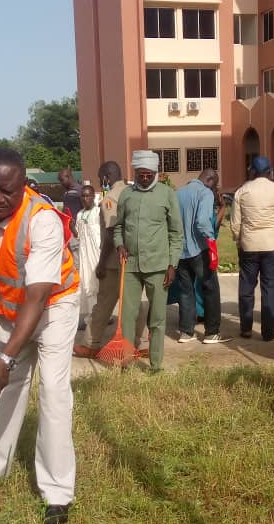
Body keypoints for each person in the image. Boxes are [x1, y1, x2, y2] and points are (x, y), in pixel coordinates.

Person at [0, 148, 79, 524]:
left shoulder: (43, 221)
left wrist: (5, 357)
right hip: (8, 308)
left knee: (53, 392)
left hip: (54, 306)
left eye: (6, 191)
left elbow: (38, 296)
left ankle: (57, 492)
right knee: (5, 389)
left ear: (24, 187)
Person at [114, 150, 184, 371]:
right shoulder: (126, 195)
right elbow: (118, 227)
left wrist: (172, 264)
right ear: (135, 172)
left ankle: (155, 364)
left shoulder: (167, 195)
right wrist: (119, 244)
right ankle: (126, 361)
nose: (144, 178)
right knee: (127, 316)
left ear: (156, 173)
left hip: (158, 267)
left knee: (157, 317)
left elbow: (176, 233)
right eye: (141, 174)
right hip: (131, 266)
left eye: (148, 175)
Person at [72, 161, 146, 358]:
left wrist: (102, 262)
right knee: (134, 303)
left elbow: (113, 233)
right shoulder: (134, 193)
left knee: (103, 303)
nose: (99, 182)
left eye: (99, 178)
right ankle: (137, 342)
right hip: (136, 259)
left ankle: (91, 343)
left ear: (105, 177)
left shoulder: (110, 199)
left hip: (115, 261)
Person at [230, 156, 274, 341]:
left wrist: (238, 241)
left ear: (252, 171)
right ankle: (268, 331)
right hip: (271, 244)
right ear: (270, 172)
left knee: (247, 286)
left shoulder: (242, 191)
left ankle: (246, 328)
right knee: (271, 288)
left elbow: (235, 223)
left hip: (248, 245)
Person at [175, 169, 230, 344]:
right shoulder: (205, 193)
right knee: (211, 288)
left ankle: (186, 332)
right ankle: (211, 332)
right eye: (216, 184)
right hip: (200, 250)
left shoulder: (178, 192)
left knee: (186, 291)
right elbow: (202, 221)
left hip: (180, 252)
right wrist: (211, 239)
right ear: (211, 180)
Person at [75, 184, 102, 323]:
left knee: (97, 285)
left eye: (88, 196)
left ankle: (101, 316)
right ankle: (92, 316)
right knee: (87, 285)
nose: (85, 199)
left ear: (93, 197)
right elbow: (78, 235)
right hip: (84, 255)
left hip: (96, 255)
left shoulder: (98, 212)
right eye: (83, 196)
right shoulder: (79, 214)